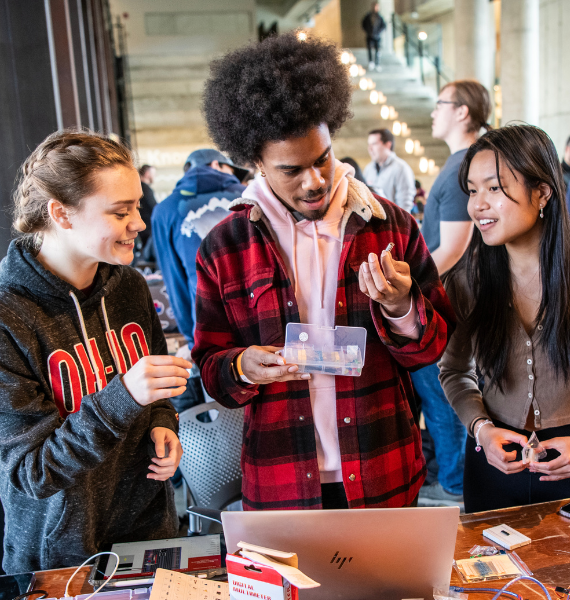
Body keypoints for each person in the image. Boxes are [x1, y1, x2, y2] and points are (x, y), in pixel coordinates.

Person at [194, 33, 455, 511]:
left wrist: (401, 307)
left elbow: (432, 349)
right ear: (256, 163)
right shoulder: (225, 246)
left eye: (322, 160)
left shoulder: (390, 226)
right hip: (282, 482)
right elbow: (211, 370)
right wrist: (241, 366)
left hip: (383, 471)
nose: (314, 181)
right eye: (292, 170)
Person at [0, 129, 191, 574]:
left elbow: (155, 388)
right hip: (63, 559)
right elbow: (31, 471)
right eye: (120, 211)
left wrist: (162, 420)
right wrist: (124, 396)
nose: (139, 223)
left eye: (137, 206)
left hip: (150, 533)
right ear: (61, 214)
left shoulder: (129, 287)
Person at [440, 124, 570, 513]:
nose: (477, 205)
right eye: (472, 190)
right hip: (491, 462)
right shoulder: (468, 277)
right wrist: (482, 430)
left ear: (542, 193)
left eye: (493, 188)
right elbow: (454, 371)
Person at [413, 77, 494, 500]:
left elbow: (454, 248)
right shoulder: (465, 163)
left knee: (441, 392)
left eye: (440, 103)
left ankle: (457, 485)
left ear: (462, 111)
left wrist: (407, 286)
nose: (433, 111)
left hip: (447, 302)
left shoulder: (465, 166)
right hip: (448, 299)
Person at [152, 148, 249, 350]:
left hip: (208, 325)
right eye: (232, 170)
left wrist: (191, 338)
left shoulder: (165, 210)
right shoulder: (250, 196)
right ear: (216, 164)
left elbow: (174, 280)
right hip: (264, 317)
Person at [363, 128, 418, 215]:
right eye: (369, 145)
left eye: (374, 144)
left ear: (388, 145)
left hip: (392, 225)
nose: (370, 149)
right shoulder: (368, 169)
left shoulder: (401, 168)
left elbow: (404, 207)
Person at [135, 164, 159, 264]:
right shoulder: (145, 188)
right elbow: (155, 207)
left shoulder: (137, 187)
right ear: (147, 173)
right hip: (147, 229)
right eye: (153, 173)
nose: (154, 176)